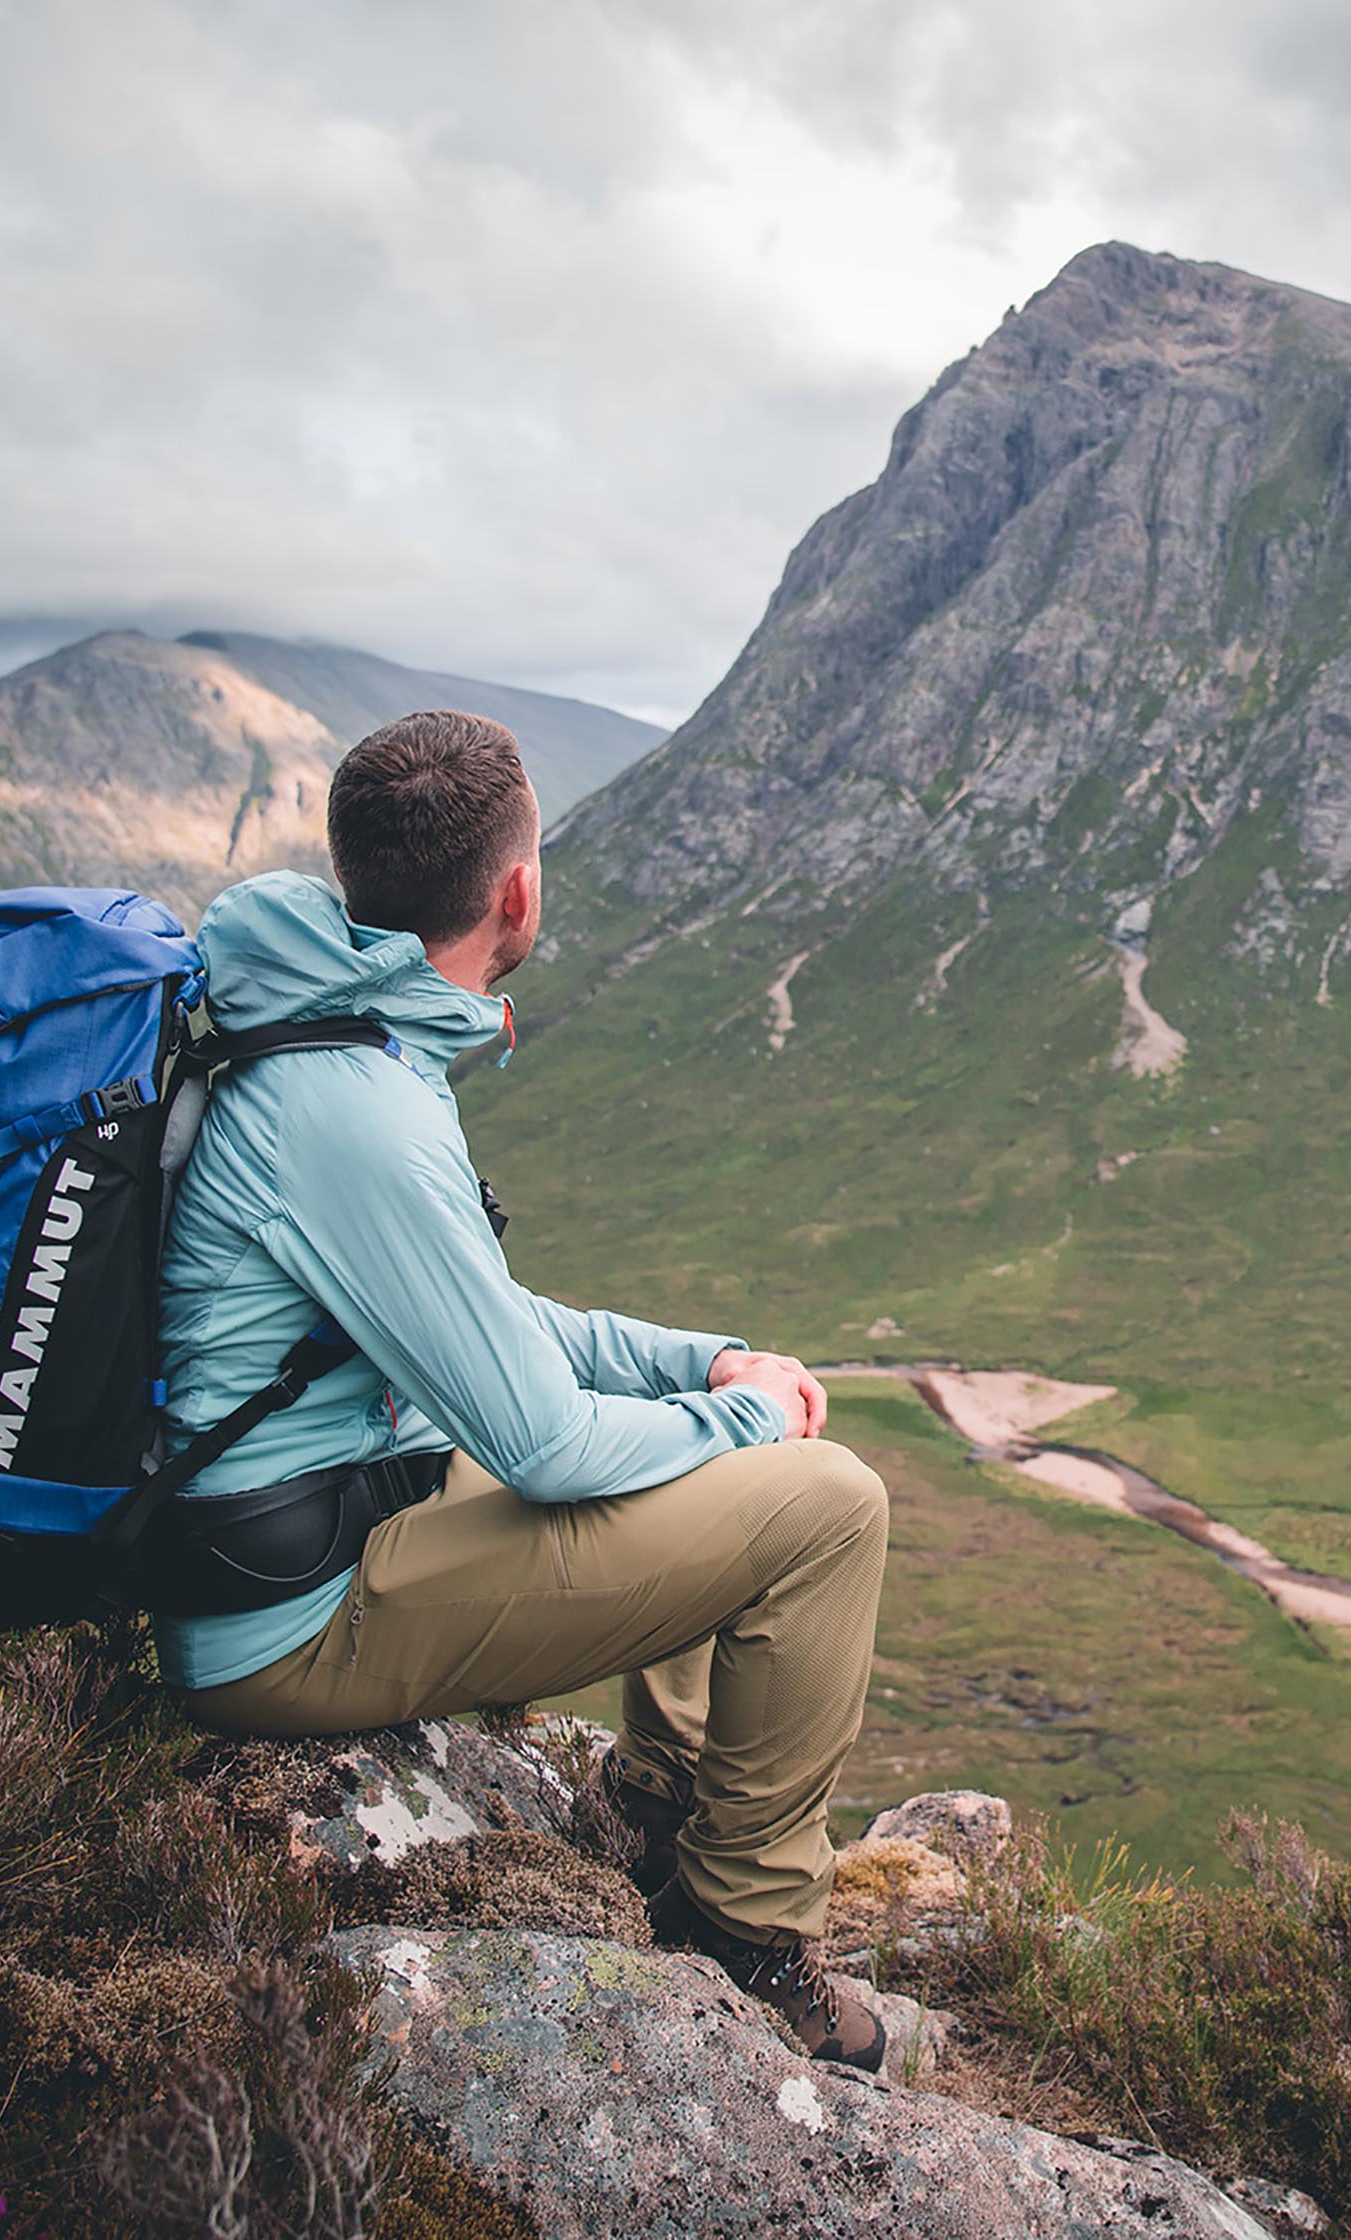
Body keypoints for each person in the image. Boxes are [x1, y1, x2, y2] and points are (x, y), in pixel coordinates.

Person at [154, 709, 890, 2069]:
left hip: (323, 1517)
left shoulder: (335, 1035)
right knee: (828, 1504)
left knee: (693, 1445)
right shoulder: (356, 1108)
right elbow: (549, 1449)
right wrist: (759, 1419)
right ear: (517, 892)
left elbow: (492, 1326)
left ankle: (660, 1807)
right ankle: (747, 1936)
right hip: (286, 1621)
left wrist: (698, 1367)